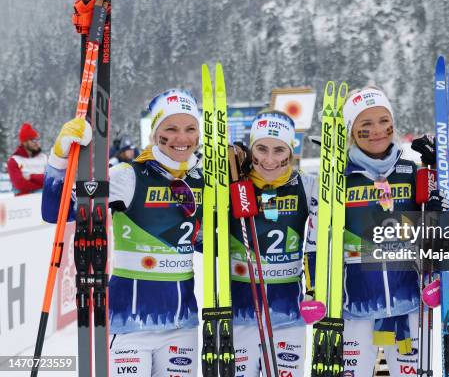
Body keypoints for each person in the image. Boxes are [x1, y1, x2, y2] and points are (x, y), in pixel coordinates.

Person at [42, 89, 203, 377]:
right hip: (129, 326)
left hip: (183, 328)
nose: (182, 138)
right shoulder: (129, 177)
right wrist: (59, 159)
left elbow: (211, 244)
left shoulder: (203, 180)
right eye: (171, 128)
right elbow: (55, 211)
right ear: (156, 133)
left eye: (190, 128)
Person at [329, 87, 442, 377]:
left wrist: (437, 178)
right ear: (351, 131)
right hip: (355, 304)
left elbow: (433, 234)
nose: (377, 130)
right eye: (365, 124)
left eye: (384, 120)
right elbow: (319, 243)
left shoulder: (411, 171)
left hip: (410, 304)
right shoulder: (338, 178)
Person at [230, 110, 318, 377]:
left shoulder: (306, 185)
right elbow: (202, 241)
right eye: (261, 148)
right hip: (239, 314)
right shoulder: (233, 185)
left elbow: (322, 241)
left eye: (279, 150)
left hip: (288, 314)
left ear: (290, 152)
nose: (269, 159)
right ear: (251, 148)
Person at [7, 123, 47, 196]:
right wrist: (42, 187)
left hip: (44, 199)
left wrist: (31, 177)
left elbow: (50, 179)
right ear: (24, 142)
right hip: (25, 202)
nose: (36, 142)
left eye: (37, 139)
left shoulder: (43, 157)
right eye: (33, 140)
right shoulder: (14, 160)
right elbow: (20, 185)